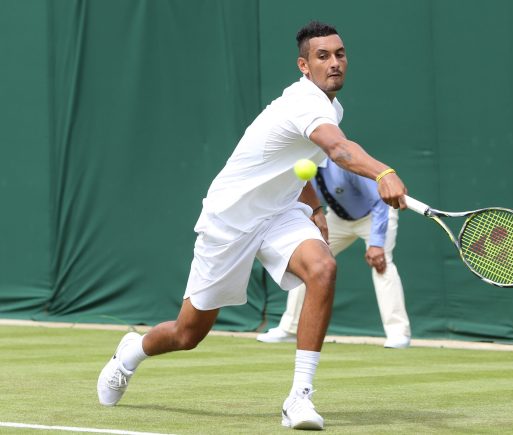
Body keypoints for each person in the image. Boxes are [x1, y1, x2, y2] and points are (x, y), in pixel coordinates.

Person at [97, 21, 408, 431]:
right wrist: (382, 172)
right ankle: (132, 352)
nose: (334, 63)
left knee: (323, 268)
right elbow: (337, 149)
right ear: (303, 65)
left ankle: (299, 398)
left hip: (279, 214)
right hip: (231, 220)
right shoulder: (304, 103)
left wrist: (314, 210)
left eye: (339, 54)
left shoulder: (331, 109)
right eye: (322, 56)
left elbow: (305, 167)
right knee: (187, 333)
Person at [257, 158, 411, 349]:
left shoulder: (345, 165)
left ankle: (398, 333)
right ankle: (290, 329)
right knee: (308, 261)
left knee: (382, 264)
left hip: (375, 215)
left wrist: (377, 244)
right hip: (338, 219)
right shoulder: (300, 167)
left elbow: (379, 201)